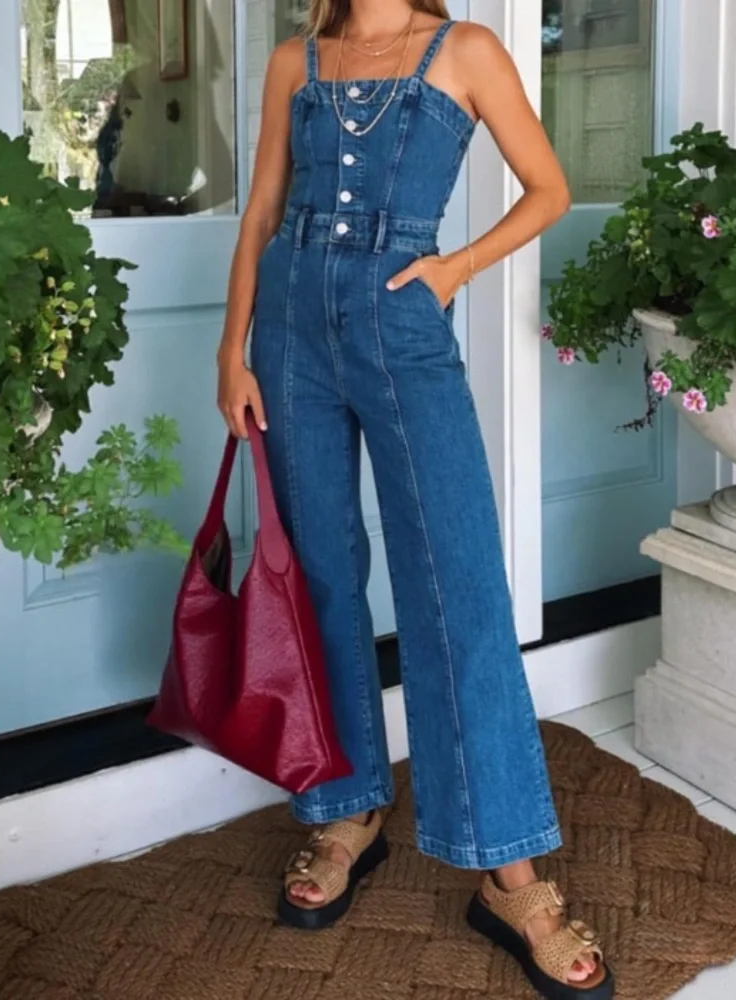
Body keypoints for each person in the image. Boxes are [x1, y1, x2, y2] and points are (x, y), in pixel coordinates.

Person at [216, 1, 612, 997]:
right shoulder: (293, 60)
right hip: (291, 328)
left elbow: (549, 188)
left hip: (403, 315)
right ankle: (345, 807)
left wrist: (450, 271)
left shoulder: (465, 50)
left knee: (457, 583)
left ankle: (506, 862)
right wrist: (232, 348)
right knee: (316, 573)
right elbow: (261, 207)